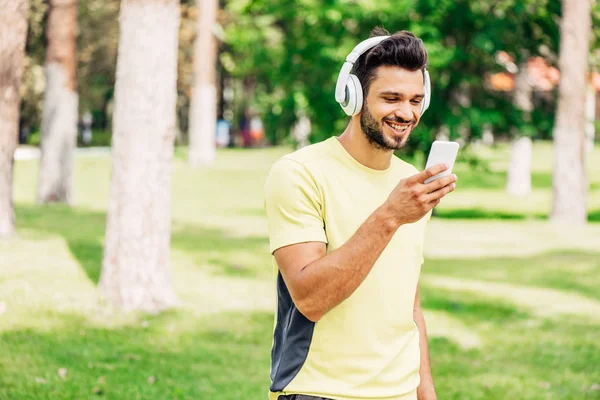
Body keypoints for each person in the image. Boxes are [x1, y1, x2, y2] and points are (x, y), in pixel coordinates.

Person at [263, 27, 458, 400]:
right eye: (391, 98)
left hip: (400, 392)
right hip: (318, 391)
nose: (405, 112)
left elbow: (408, 304)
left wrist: (426, 393)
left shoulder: (408, 183)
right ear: (352, 96)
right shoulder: (299, 173)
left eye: (416, 100)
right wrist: (390, 216)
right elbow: (309, 298)